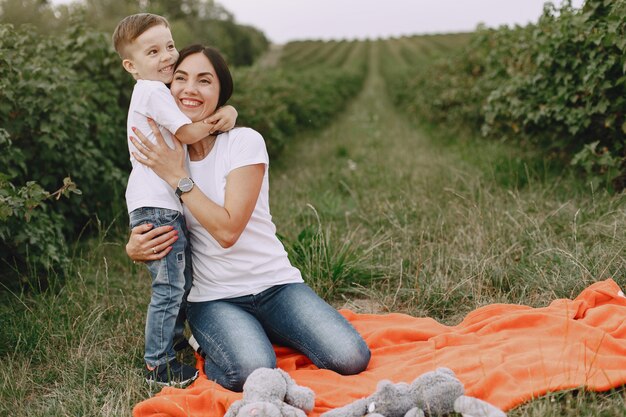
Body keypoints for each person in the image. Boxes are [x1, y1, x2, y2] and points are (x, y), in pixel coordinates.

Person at [125, 44, 371, 392]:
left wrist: (179, 179)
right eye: (180, 78)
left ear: (220, 94)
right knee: (253, 371)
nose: (190, 89)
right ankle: (216, 340)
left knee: (351, 357)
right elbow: (148, 211)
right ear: (167, 88)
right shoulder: (164, 154)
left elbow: (227, 230)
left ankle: (262, 328)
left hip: (276, 285)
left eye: (204, 81)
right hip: (214, 298)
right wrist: (133, 247)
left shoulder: (243, 142)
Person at [112, 13, 238, 387]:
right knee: (170, 286)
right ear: (131, 66)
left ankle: (173, 341)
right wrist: (221, 118)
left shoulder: (155, 91)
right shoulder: (151, 91)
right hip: (157, 205)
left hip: (159, 201)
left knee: (179, 280)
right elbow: (186, 131)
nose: (167, 56)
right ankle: (158, 363)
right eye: (153, 51)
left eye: (169, 46)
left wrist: (227, 108)